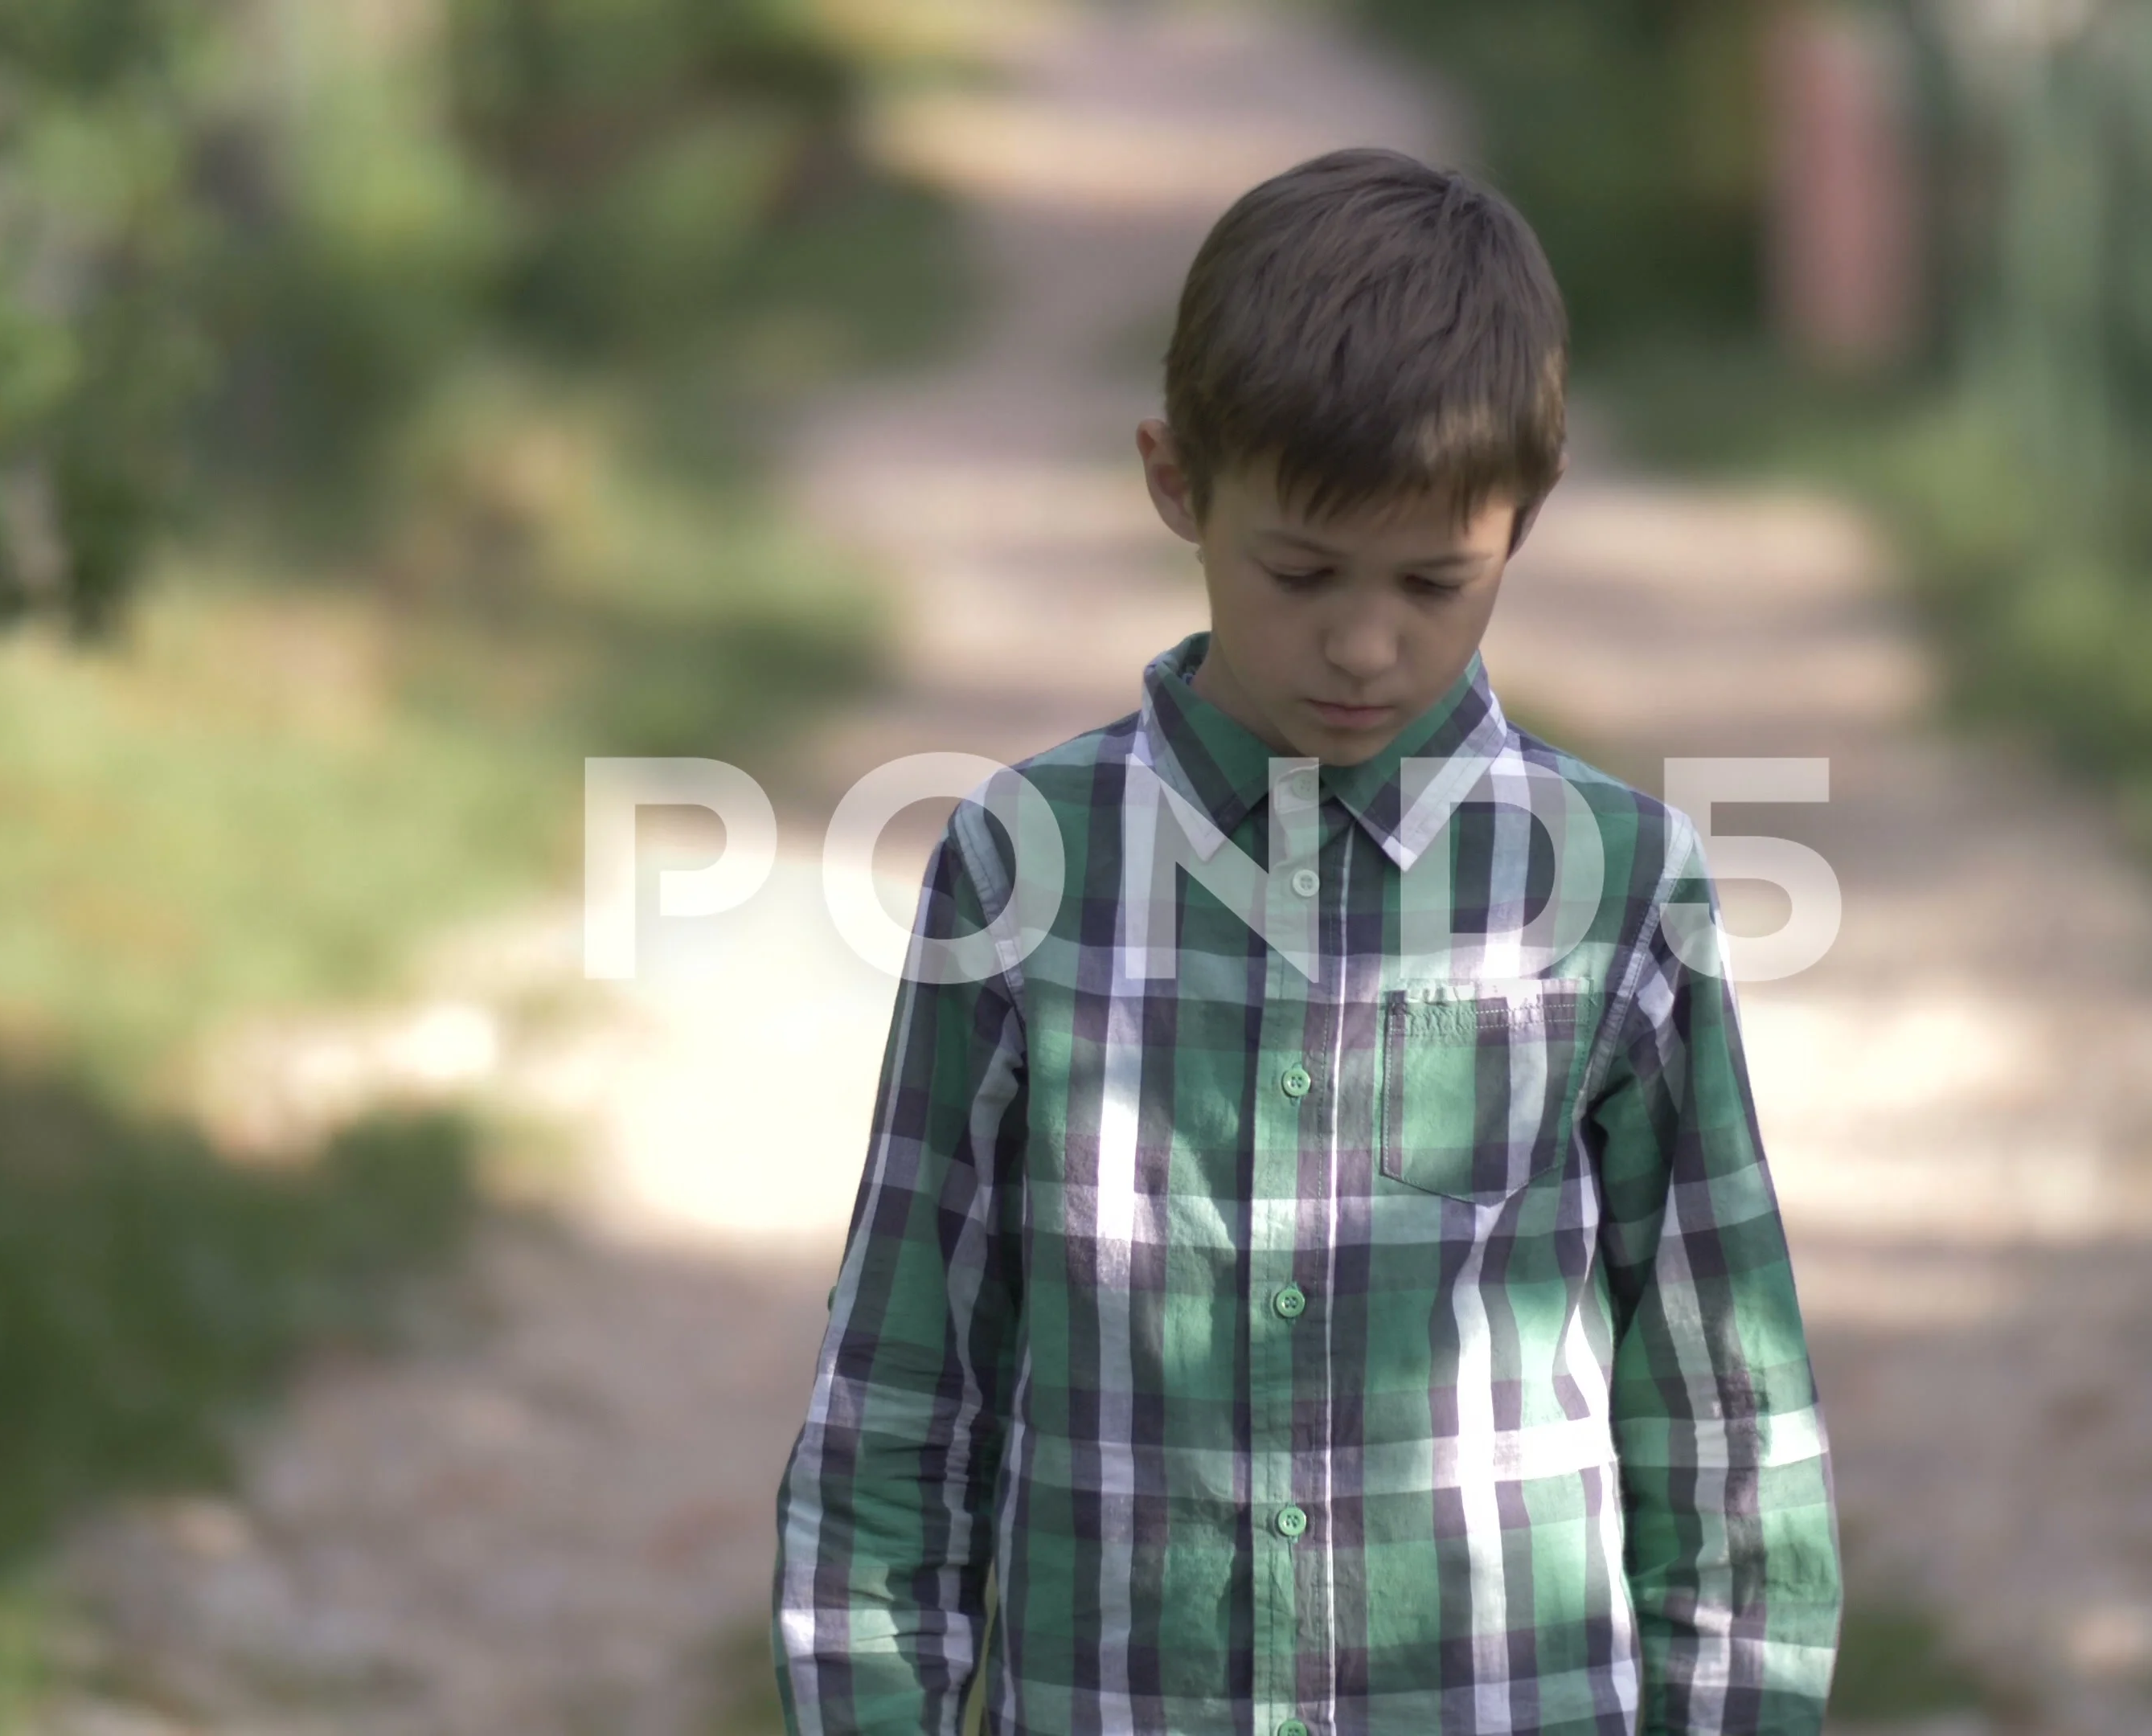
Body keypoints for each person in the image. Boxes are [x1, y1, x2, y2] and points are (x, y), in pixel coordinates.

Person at [773, 145, 1842, 1736]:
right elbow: (904, 1395)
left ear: (1524, 522)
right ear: (1176, 482)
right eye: (1301, 572)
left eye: (1434, 580)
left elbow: (1724, 1416)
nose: (1362, 642)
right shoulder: (1023, 864)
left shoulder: (1617, 890)